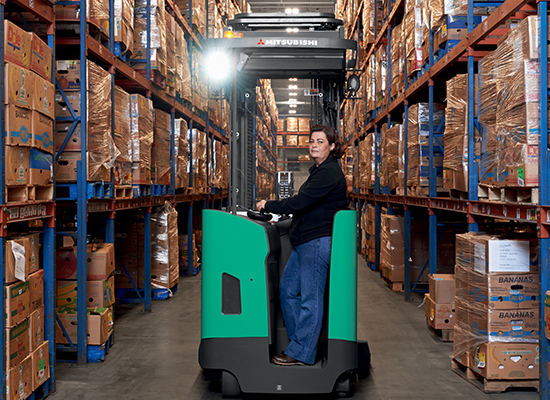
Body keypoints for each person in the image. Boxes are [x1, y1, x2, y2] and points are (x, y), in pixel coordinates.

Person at [256, 124, 347, 366]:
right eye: (312, 141)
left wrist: (269, 205)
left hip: (316, 242)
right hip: (304, 241)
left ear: (332, 146)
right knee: (287, 290)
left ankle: (302, 352)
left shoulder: (329, 173)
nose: (314, 145)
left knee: (310, 299)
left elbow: (301, 202)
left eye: (320, 141)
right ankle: (302, 345)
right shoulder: (318, 170)